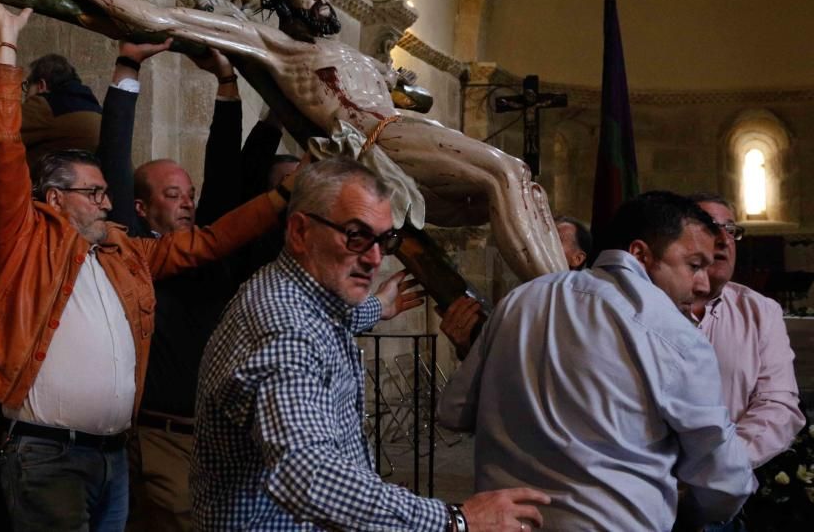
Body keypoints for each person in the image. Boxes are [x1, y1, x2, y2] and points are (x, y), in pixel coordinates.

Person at [0, 0, 291, 532]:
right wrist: (6, 41)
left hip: (113, 457)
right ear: (55, 198)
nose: (108, 203)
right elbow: (2, 147)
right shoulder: (26, 241)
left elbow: (209, 240)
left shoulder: (122, 251)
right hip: (48, 459)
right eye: (96, 194)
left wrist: (282, 197)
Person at [26, 0, 567, 282]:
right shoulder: (281, 48)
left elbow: (416, 97)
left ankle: (559, 297)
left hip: (410, 130)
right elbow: (167, 18)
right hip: (382, 139)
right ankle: (566, 306)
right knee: (507, 172)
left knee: (510, 194)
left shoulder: (360, 56)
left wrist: (395, 80)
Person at [192, 157, 552, 531]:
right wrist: (456, 521)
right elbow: (308, 474)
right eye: (356, 236)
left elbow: (334, 321)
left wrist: (379, 305)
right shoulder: (284, 329)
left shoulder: (300, 294)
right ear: (299, 232)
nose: (374, 258)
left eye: (384, 240)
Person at [439, 191, 757, 531]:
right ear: (640, 254)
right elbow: (725, 480)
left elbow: (453, 410)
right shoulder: (675, 336)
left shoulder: (520, 300)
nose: (702, 284)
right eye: (693, 266)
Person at [96, 38, 284, 531]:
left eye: (189, 194)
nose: (186, 203)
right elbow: (113, 158)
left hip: (209, 442)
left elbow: (224, 172)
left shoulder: (210, 257)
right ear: (140, 208)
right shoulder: (132, 254)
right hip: (148, 441)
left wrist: (227, 82)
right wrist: (128, 66)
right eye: (172, 194)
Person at [687, 193, 804, 466]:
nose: (723, 239)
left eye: (730, 230)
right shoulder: (648, 307)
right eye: (709, 227)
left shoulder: (760, 311)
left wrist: (723, 464)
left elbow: (778, 404)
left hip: (733, 478)